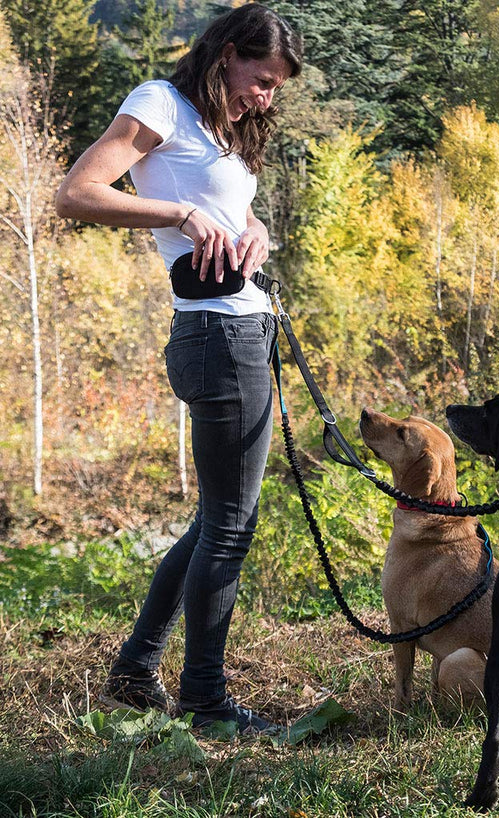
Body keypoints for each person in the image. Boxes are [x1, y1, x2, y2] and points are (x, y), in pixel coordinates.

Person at [55, 4, 303, 735]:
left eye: (275, 88)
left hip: (245, 326)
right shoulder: (159, 102)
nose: (267, 97)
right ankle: (205, 700)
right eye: (261, 80)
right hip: (214, 337)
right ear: (227, 54)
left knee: (216, 520)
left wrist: (254, 234)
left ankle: (137, 670)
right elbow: (77, 193)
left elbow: (235, 214)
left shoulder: (224, 128)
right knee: (230, 525)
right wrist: (179, 218)